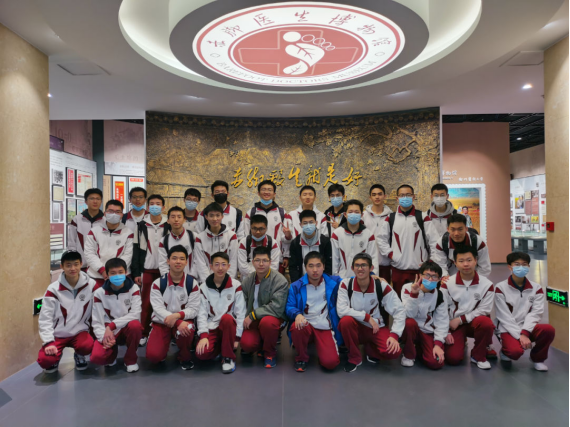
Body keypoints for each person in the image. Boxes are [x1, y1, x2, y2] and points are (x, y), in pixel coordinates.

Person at [337, 254, 405, 373]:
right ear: (352, 268)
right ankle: (354, 357)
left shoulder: (381, 285)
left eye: (364, 265)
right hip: (355, 328)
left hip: (375, 328)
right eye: (357, 265)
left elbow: (399, 310)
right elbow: (341, 310)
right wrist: (367, 317)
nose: (360, 268)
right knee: (345, 321)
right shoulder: (345, 284)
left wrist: (395, 335)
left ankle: (371, 349)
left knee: (394, 352)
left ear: (371, 268)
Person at [495, 252, 556, 372]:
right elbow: (504, 316)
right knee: (515, 352)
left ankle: (538, 359)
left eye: (524, 264)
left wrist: (525, 332)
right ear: (509, 267)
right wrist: (520, 335)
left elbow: (536, 313)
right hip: (507, 327)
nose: (521, 267)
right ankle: (505, 351)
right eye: (517, 264)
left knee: (548, 329)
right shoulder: (500, 287)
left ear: (528, 266)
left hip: (527, 326)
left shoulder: (536, 288)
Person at [37, 251, 96, 373]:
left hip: (80, 332)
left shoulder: (91, 285)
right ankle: (56, 357)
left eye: (76, 264)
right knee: (45, 360)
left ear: (81, 264)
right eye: (68, 265)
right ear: (62, 267)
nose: (73, 268)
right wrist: (48, 341)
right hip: (58, 334)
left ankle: (79, 354)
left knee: (87, 346)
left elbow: (98, 310)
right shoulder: (53, 289)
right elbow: (45, 318)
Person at [286, 252, 343, 372]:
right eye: (311, 266)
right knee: (297, 327)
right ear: (305, 267)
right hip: (305, 324)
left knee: (330, 363)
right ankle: (301, 358)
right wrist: (297, 314)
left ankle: (321, 345)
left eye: (318, 265)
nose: (315, 270)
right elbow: (289, 306)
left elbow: (353, 281)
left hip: (324, 325)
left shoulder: (334, 282)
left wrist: (372, 276)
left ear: (323, 266)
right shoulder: (296, 286)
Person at [146, 246, 200, 370]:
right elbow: (158, 309)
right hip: (161, 322)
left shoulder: (192, 283)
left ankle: (184, 357)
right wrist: (177, 321)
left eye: (182, 259)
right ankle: (162, 348)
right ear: (168, 261)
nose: (178, 262)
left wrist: (177, 317)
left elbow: (194, 309)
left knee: (187, 328)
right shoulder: (158, 283)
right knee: (154, 357)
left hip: (183, 322)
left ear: (186, 262)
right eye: (174, 258)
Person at [441, 247, 495, 370]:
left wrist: (461, 319)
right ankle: (460, 340)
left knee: (486, 322)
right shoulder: (447, 284)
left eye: (469, 260)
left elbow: (485, 309)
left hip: (473, 322)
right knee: (453, 358)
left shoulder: (487, 285)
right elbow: (441, 309)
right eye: (461, 261)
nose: (465, 264)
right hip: (453, 325)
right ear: (455, 263)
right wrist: (446, 331)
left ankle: (478, 355)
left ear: (476, 261)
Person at [196, 252, 246, 374]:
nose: (220, 268)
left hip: (228, 326)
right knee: (202, 354)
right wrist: (203, 336)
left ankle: (228, 358)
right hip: (212, 326)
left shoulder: (236, 285)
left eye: (223, 264)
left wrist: (237, 337)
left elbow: (240, 313)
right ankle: (221, 348)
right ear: (211, 267)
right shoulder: (203, 288)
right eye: (216, 264)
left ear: (229, 266)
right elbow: (201, 314)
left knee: (227, 318)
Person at [240, 247, 289, 369]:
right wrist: (244, 319)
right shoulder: (248, 280)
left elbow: (277, 307)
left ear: (270, 262)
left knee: (267, 323)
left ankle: (269, 353)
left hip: (273, 318)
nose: (261, 264)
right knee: (247, 345)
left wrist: (253, 315)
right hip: (253, 319)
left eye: (265, 260)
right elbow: (242, 303)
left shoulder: (280, 280)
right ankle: (261, 343)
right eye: (257, 260)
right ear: (252, 262)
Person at [90, 258, 142, 373]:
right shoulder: (99, 293)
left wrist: (112, 325)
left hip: (125, 328)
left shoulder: (134, 289)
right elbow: (97, 321)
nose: (117, 276)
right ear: (107, 275)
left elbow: (135, 313)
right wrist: (104, 339)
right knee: (97, 357)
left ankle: (131, 360)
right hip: (109, 332)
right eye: (113, 273)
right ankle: (111, 354)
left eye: (120, 272)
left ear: (126, 272)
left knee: (135, 325)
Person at [378, 184, 431, 296]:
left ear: (413, 197)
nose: (405, 198)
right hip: (398, 269)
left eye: (408, 195)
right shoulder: (391, 218)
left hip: (419, 269)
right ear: (397, 198)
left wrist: (430, 261)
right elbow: (381, 239)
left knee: (419, 300)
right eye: (402, 195)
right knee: (399, 301)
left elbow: (434, 241)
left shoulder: (423, 217)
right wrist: (391, 255)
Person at [132, 194, 169, 346]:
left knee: (165, 302)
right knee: (145, 303)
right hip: (146, 270)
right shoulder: (141, 225)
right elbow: (136, 250)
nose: (155, 206)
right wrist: (136, 272)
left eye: (158, 204)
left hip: (164, 270)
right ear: (148, 207)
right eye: (152, 204)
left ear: (163, 207)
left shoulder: (168, 224)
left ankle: (166, 332)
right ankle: (144, 332)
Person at [400, 261, 449, 370]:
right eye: (427, 275)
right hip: (410, 328)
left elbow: (442, 321)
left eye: (434, 276)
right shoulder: (407, 288)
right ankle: (408, 354)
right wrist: (414, 294)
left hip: (427, 331)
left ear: (439, 279)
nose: (430, 279)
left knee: (436, 363)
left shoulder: (440, 295)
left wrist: (438, 344)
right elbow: (409, 314)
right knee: (409, 323)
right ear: (420, 275)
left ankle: (419, 348)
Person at [243, 180, 292, 274]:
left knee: (274, 281)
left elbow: (285, 237)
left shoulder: (281, 213)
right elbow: (246, 236)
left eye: (269, 190)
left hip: (276, 257)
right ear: (258, 193)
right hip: (255, 256)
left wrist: (286, 256)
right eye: (263, 189)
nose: (266, 192)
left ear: (274, 194)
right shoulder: (251, 212)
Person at [84, 199, 134, 288]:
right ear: (105, 213)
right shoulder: (94, 231)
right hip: (96, 276)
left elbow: (128, 255)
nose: (114, 214)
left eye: (118, 212)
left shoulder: (128, 233)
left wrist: (114, 272)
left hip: (119, 277)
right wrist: (102, 270)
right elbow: (89, 253)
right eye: (110, 211)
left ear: (122, 215)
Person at [431, 214, 492, 278]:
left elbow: (484, 267)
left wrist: (476, 280)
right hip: (451, 274)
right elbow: (440, 264)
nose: (456, 233)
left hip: (473, 274)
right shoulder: (442, 243)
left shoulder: (478, 242)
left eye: (460, 229)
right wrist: (445, 277)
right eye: (453, 229)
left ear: (466, 229)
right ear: (448, 229)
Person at [331, 199, 379, 279]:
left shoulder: (369, 235)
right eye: (350, 212)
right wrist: (336, 278)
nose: (353, 214)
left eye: (357, 212)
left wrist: (373, 276)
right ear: (345, 214)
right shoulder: (337, 234)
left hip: (363, 278)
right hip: (342, 278)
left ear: (362, 215)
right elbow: (334, 259)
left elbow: (373, 258)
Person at [194, 203, 238, 282]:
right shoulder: (200, 238)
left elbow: (233, 262)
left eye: (218, 215)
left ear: (222, 216)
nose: (215, 219)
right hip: (206, 282)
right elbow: (200, 264)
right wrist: (208, 282)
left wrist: (227, 281)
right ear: (206, 217)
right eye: (211, 215)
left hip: (227, 281)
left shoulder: (231, 236)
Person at [68, 188, 106, 273]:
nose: (95, 201)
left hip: (100, 265)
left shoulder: (105, 221)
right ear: (86, 201)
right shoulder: (77, 220)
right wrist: (74, 262)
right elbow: (71, 243)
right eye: (91, 198)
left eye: (98, 199)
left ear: (101, 201)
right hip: (81, 265)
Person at [289, 210, 332, 282]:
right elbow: (293, 267)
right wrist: (297, 284)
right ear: (300, 225)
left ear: (316, 223)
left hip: (322, 282)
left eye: (311, 222)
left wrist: (325, 282)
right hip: (302, 282)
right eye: (305, 223)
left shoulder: (325, 242)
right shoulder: (295, 243)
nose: (308, 225)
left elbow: (328, 265)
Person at [362, 184, 393, 282]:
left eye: (380, 194)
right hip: (367, 262)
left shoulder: (391, 216)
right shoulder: (363, 215)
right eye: (374, 194)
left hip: (385, 262)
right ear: (370, 197)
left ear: (385, 196)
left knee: (384, 289)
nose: (377, 197)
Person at [158, 206, 196, 278]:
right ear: (168, 220)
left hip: (191, 278)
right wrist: (168, 279)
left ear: (184, 220)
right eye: (173, 217)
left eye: (179, 217)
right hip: (171, 279)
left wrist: (191, 278)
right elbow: (163, 264)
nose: (176, 219)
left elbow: (197, 260)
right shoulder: (164, 241)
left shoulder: (194, 237)